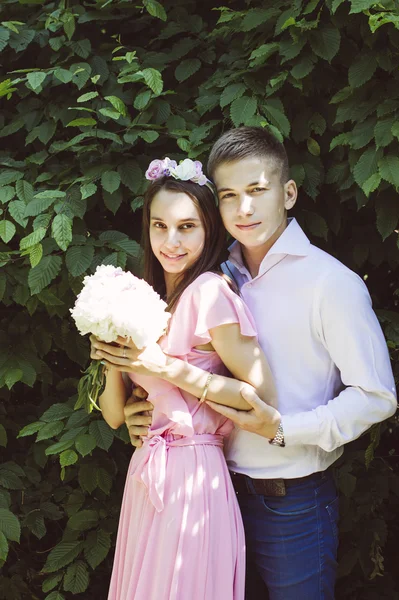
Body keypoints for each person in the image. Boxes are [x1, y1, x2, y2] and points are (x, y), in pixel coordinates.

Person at [112, 127, 397, 600]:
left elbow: (377, 397)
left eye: (257, 191)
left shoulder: (331, 283)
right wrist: (142, 413)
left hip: (290, 502)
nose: (243, 209)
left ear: (287, 193)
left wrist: (284, 428)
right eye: (229, 196)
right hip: (205, 492)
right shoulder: (207, 273)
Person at [91, 156, 278, 600]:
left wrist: (164, 367)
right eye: (159, 226)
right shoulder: (149, 298)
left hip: (195, 475)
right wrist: (112, 355)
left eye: (186, 227)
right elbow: (116, 418)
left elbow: (262, 395)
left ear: (209, 229)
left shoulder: (209, 292)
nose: (170, 242)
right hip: (148, 471)